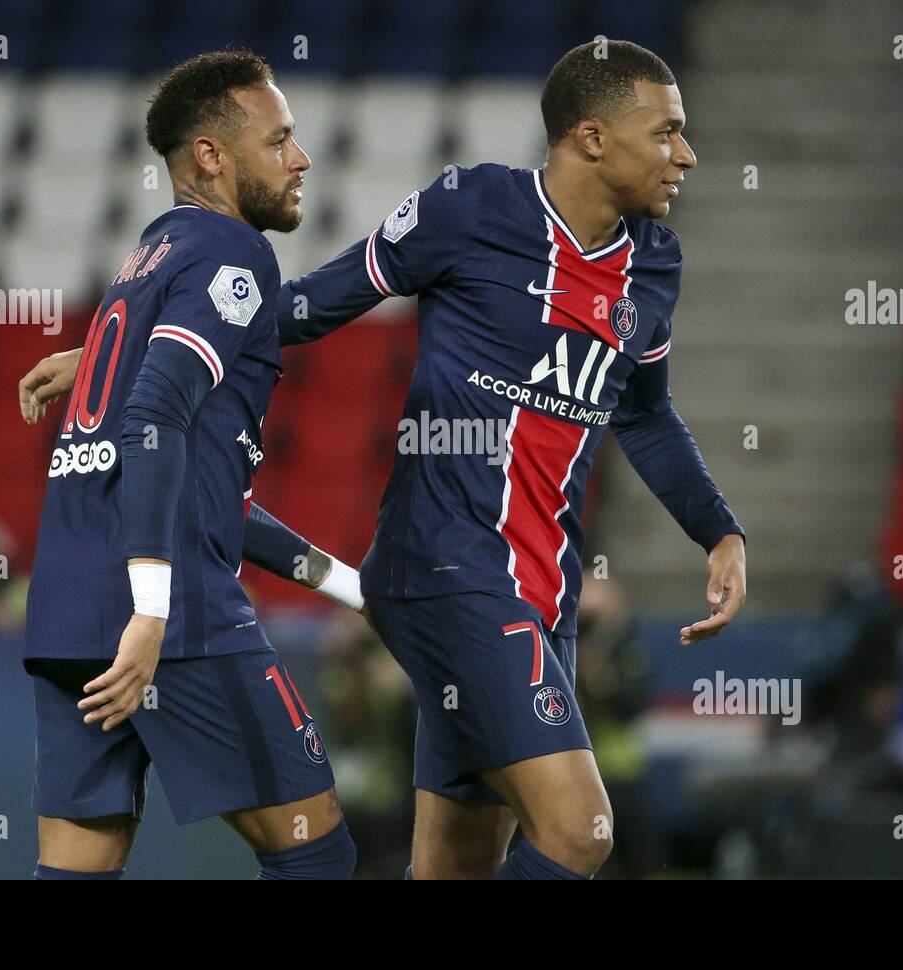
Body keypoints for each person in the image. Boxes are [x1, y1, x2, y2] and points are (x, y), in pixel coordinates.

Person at [273, 39, 748, 879]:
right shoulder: (472, 207)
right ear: (592, 138)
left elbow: (642, 412)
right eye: (667, 131)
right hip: (449, 570)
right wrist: (117, 354)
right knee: (580, 832)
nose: (687, 154)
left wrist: (718, 530)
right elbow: (310, 305)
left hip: (542, 596)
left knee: (454, 865)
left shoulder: (654, 263)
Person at [20, 49, 358, 880]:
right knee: (316, 853)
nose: (302, 158)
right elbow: (155, 419)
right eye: (280, 139)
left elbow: (200, 490)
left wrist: (351, 586)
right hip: (171, 622)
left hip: (68, 612)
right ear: (210, 155)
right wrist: (151, 611)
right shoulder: (230, 254)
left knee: (75, 870)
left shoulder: (149, 264)